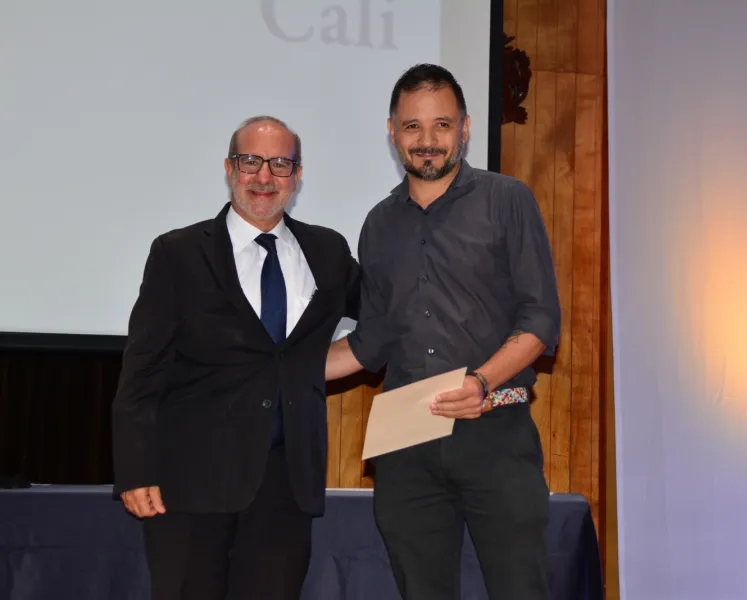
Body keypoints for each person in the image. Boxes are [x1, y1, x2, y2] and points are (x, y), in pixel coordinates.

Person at [326, 64, 561, 600]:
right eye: (412, 126)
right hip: (404, 440)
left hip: (494, 426)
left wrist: (481, 382)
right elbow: (371, 341)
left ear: (465, 128)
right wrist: (281, 366)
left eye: (442, 125)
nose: (427, 140)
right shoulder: (378, 224)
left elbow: (541, 319)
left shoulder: (508, 199)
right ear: (392, 132)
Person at [112, 115, 360, 600]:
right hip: (189, 484)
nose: (264, 176)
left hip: (286, 487)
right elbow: (142, 372)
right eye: (251, 161)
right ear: (229, 169)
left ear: (297, 175)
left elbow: (384, 315)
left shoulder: (327, 251)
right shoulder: (177, 253)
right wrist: (136, 469)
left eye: (280, 164)